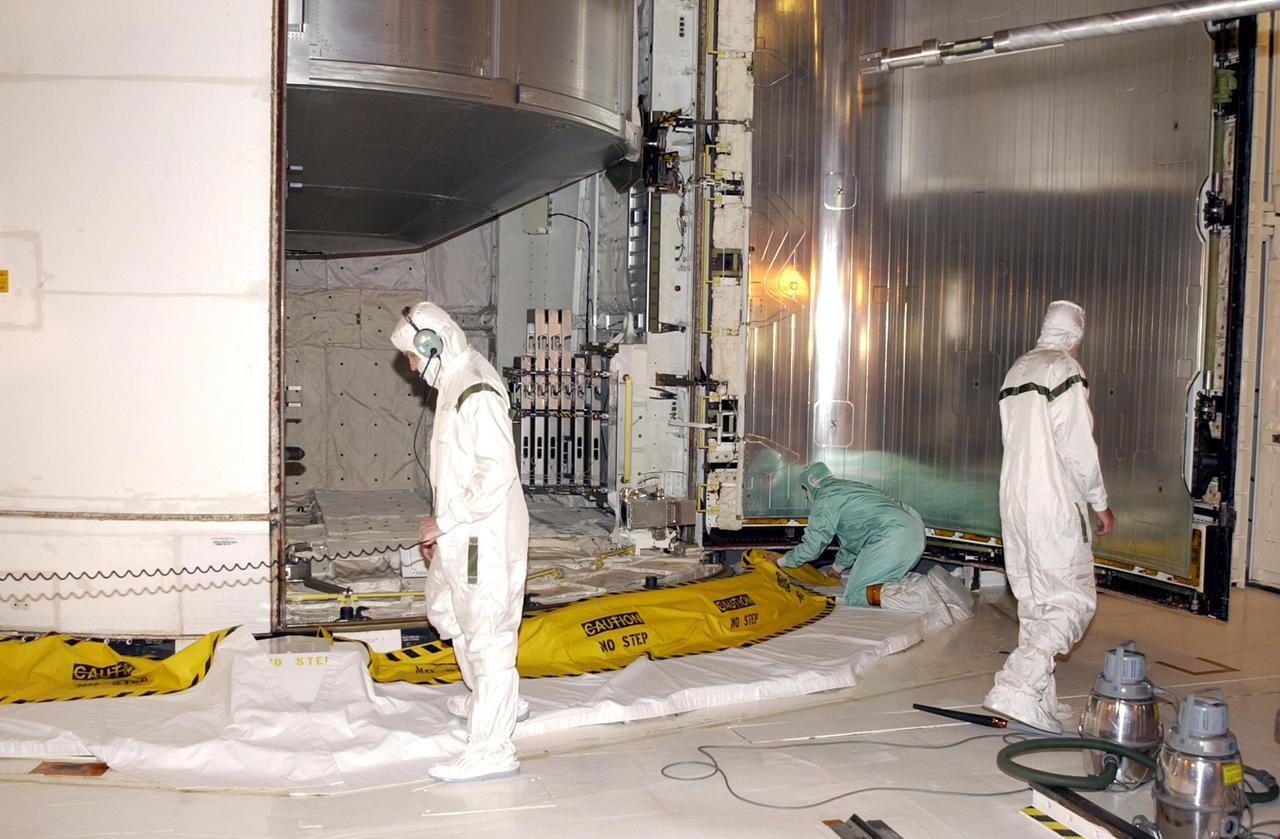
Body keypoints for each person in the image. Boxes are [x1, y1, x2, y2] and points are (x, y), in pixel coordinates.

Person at [391, 302, 529, 782]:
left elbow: (497, 473)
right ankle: (488, 697)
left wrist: (445, 522)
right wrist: (442, 527)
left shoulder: (474, 388)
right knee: (448, 610)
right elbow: (462, 469)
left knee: (488, 633)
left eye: (411, 357)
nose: (409, 367)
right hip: (461, 530)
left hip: (482, 537)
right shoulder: (453, 381)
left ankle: (493, 745)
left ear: (434, 346)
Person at [983, 300, 1115, 734]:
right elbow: (1077, 445)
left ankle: (1039, 700)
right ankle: (1018, 685)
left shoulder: (1017, 371)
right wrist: (1099, 501)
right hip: (1055, 501)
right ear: (1075, 335)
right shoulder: (1064, 369)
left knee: (1036, 602)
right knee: (1070, 601)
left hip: (1015, 502)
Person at [772, 462, 972, 626]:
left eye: (804, 489)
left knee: (857, 593)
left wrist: (781, 562)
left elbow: (813, 546)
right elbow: (853, 539)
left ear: (808, 486)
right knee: (882, 581)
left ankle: (920, 596)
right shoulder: (851, 487)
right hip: (913, 533)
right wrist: (837, 567)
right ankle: (940, 588)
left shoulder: (825, 498)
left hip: (890, 537)